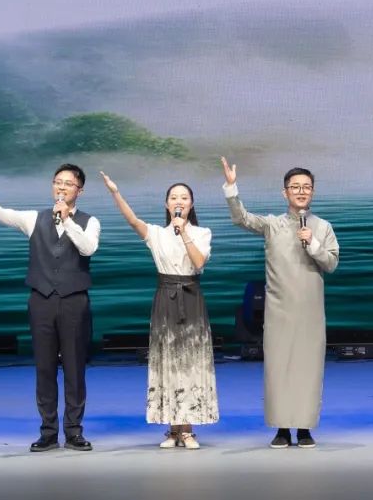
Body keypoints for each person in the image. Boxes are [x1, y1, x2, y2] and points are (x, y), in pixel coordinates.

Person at [0, 161, 99, 452]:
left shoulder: (90, 221)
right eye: (57, 182)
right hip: (41, 300)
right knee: (44, 368)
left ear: (80, 190)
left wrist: (67, 220)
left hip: (74, 301)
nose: (61, 187)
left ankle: (74, 432)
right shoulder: (34, 219)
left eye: (68, 183)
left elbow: (88, 248)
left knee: (74, 368)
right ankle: (48, 432)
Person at [221, 157, 339, 449]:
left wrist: (312, 243)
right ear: (285, 192)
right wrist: (231, 188)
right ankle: (282, 429)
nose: (301, 191)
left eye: (306, 187)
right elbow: (241, 218)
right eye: (295, 187)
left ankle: (304, 428)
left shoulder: (323, 227)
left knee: (308, 370)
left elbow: (331, 263)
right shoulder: (272, 225)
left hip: (310, 311)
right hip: (278, 310)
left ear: (313, 192)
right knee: (278, 369)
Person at [101, 173, 219, 449]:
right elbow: (133, 221)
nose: (179, 201)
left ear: (191, 204)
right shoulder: (156, 233)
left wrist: (184, 232)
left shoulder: (202, 233)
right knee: (168, 360)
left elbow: (199, 262)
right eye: (174, 197)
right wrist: (115, 192)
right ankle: (173, 429)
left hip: (191, 298)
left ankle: (188, 429)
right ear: (167, 204)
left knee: (190, 361)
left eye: (184, 198)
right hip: (166, 298)